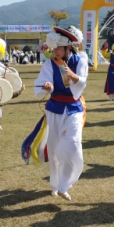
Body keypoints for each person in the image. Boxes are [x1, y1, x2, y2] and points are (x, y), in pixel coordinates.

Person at [34, 27, 88, 201]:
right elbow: (41, 83)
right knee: (55, 150)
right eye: (54, 48)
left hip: (74, 109)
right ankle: (57, 185)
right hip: (54, 109)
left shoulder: (80, 61)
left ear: (68, 48)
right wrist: (46, 87)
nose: (54, 51)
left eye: (58, 48)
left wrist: (66, 71)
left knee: (73, 143)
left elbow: (81, 83)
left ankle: (65, 184)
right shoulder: (49, 63)